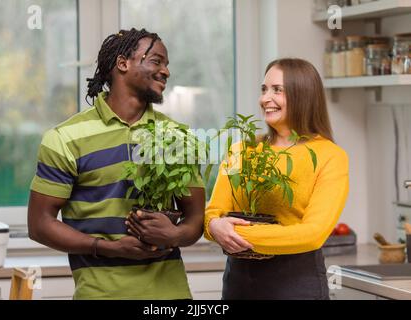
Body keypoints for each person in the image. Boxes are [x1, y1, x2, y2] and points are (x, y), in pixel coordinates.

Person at [28, 28, 205, 300]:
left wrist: (174, 235)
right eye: (156, 61)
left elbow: (195, 219)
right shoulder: (64, 138)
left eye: (167, 64)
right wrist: (107, 247)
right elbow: (39, 224)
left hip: (172, 297)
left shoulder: (176, 137)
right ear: (123, 63)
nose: (166, 72)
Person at [204, 58, 349, 300]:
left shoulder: (330, 156)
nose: (264, 98)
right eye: (264, 89)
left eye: (277, 90)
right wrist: (213, 226)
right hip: (238, 284)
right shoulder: (241, 150)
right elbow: (214, 212)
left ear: (302, 95)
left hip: (296, 285)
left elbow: (313, 234)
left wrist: (231, 234)